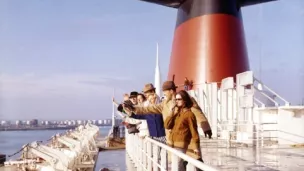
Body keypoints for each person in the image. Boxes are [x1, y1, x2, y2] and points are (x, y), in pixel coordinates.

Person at [123, 81, 212, 140]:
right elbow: (149, 109)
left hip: (186, 137)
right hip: (171, 139)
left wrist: (206, 127)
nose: (164, 93)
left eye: (165, 91)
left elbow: (198, 113)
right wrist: (134, 109)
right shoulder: (165, 103)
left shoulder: (186, 99)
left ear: (171, 91)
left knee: (192, 162)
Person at [164, 90, 202, 170]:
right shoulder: (177, 113)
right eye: (176, 99)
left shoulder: (189, 114)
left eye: (179, 99)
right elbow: (167, 126)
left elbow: (194, 131)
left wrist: (196, 147)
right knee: (179, 167)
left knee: (176, 167)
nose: (176, 101)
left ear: (185, 100)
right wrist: (171, 112)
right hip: (172, 144)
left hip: (181, 145)